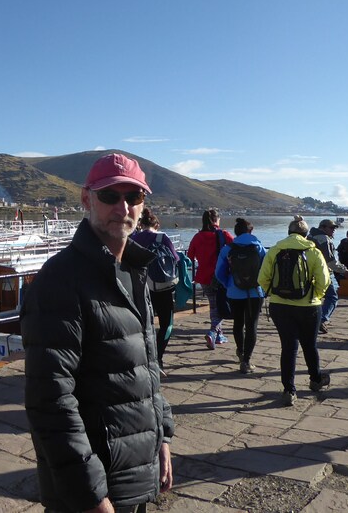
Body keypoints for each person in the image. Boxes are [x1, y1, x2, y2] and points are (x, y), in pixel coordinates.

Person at [23, 152, 174, 513]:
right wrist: (90, 495)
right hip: (91, 492)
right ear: (86, 199)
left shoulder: (134, 271)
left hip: (132, 475)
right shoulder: (60, 281)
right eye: (110, 196)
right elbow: (51, 400)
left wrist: (162, 439)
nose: (122, 206)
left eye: (133, 197)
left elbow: (146, 370)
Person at [257, 215, 331, 406]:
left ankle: (289, 390)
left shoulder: (275, 250)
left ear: (288, 232)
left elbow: (262, 278)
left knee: (288, 347)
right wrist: (316, 296)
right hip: (309, 306)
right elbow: (324, 281)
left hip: (280, 306)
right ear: (306, 234)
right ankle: (315, 379)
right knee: (309, 345)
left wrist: (275, 293)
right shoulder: (313, 252)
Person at [214, 218, 266, 374]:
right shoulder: (259, 247)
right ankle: (247, 361)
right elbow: (266, 270)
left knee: (238, 323)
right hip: (255, 292)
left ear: (236, 232)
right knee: (252, 326)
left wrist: (228, 284)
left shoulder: (228, 249)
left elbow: (219, 273)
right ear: (251, 231)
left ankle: (240, 351)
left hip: (234, 292)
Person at [131, 207, 179, 373]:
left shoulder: (134, 238)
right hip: (163, 287)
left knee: (144, 324)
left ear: (141, 223)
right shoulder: (162, 237)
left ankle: (143, 357)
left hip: (141, 287)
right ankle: (158, 357)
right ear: (156, 225)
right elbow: (176, 258)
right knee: (167, 324)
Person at [187, 208, 234, 350]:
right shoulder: (223, 234)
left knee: (214, 305)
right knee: (218, 305)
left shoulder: (197, 237)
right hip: (220, 276)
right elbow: (237, 248)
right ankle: (213, 332)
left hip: (203, 276)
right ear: (216, 220)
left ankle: (219, 334)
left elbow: (190, 256)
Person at [307, 219, 348, 334]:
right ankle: (320, 320)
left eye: (334, 228)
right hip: (321, 272)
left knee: (314, 298)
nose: (334, 230)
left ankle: (311, 321)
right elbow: (330, 261)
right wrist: (344, 270)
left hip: (308, 272)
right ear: (323, 227)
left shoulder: (310, 236)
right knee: (332, 297)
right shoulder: (324, 239)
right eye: (331, 228)